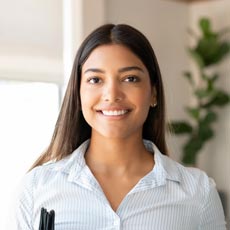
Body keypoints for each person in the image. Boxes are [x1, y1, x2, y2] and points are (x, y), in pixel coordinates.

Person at [13, 24, 226, 229]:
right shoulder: (36, 188)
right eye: (95, 80)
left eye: (130, 78)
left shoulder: (199, 192)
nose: (112, 94)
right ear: (78, 93)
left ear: (153, 92)